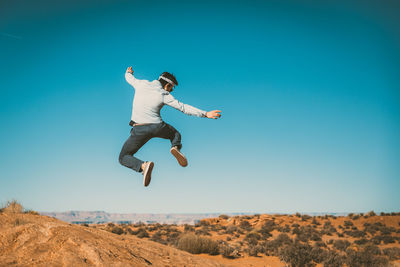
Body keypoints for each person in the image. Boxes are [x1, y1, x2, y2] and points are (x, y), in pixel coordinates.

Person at [119, 66, 222, 187]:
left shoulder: (141, 84)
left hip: (139, 129)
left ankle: (143, 166)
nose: (170, 91)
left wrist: (128, 72)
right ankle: (175, 147)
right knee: (175, 134)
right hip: (157, 126)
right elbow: (183, 107)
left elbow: (129, 78)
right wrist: (205, 114)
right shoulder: (164, 94)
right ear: (167, 86)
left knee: (123, 157)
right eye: (171, 89)